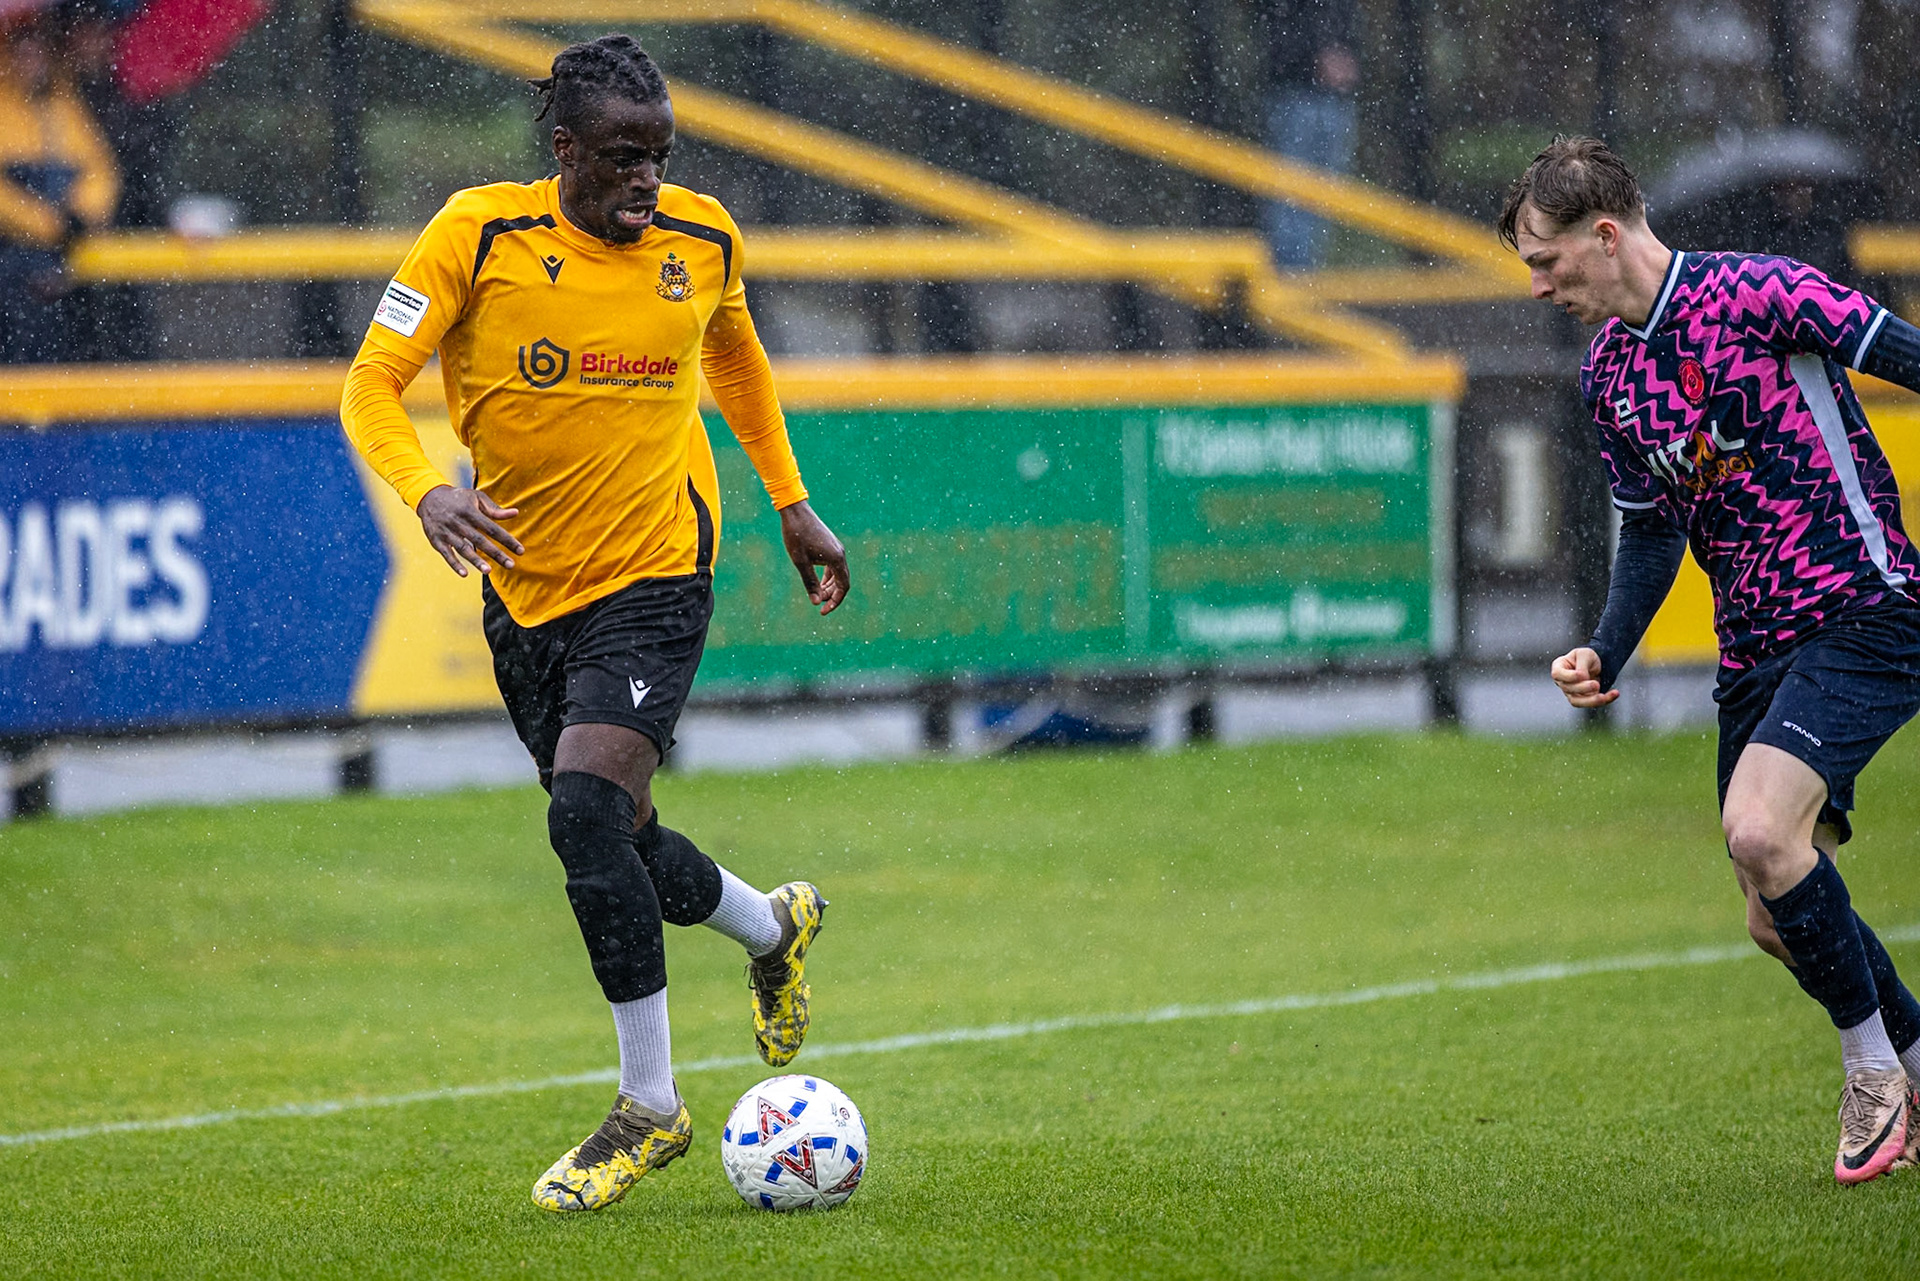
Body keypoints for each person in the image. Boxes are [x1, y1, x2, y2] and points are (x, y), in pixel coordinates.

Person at [339, 34, 851, 1212]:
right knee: (616, 838)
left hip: (659, 571)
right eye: (622, 158)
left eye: (660, 158)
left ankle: (650, 1110)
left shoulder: (703, 241)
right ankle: (772, 928)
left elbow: (737, 355)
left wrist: (791, 500)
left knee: (581, 819)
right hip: (525, 590)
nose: (647, 183)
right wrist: (427, 490)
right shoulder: (477, 234)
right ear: (562, 149)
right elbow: (371, 382)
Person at [1502, 136, 1920, 1185]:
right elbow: (1648, 531)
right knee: (1772, 915)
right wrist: (1607, 642)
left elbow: (1908, 356)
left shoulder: (1760, 292)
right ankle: (1913, 1053)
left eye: (1547, 261)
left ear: (1604, 235)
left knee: (1757, 830)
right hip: (1756, 650)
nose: (1540, 284)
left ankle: (1874, 1074)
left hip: (1859, 607)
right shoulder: (1608, 372)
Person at [0, 10, 120, 364]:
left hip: (66, 250)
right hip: (15, 250)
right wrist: (47, 224)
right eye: (21, 51)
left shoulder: (65, 105)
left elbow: (101, 170)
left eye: (38, 51)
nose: (30, 60)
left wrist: (82, 213)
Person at [1260, 0, 1359, 270]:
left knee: (1323, 195)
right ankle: (1290, 277)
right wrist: (1314, 59)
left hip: (1332, 98)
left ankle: (1303, 276)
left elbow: (1345, 25)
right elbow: (1277, 25)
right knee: (1291, 193)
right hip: (1295, 95)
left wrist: (1344, 60)